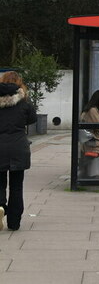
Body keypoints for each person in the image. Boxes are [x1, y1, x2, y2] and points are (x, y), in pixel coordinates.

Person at [0, 72, 37, 231]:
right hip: (18, 147)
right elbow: (32, 119)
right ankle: (14, 223)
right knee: (16, 186)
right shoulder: (25, 102)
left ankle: (0, 207)